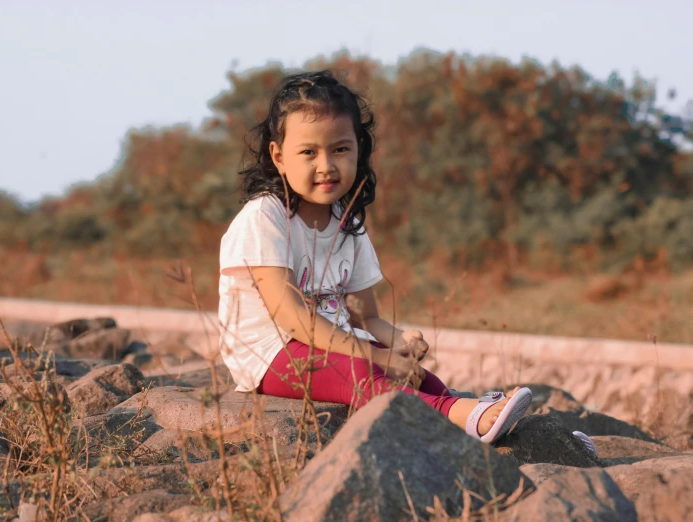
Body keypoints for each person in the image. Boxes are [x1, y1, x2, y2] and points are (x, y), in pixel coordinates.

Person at [216, 69, 532, 444]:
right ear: (279, 157)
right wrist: (375, 357)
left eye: (340, 149)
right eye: (308, 152)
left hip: (332, 341)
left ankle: (467, 412)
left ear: (358, 150)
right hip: (271, 353)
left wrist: (398, 341)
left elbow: (365, 315)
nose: (326, 165)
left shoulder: (346, 224)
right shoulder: (264, 217)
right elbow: (294, 317)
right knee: (362, 376)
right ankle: (456, 414)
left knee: (417, 375)